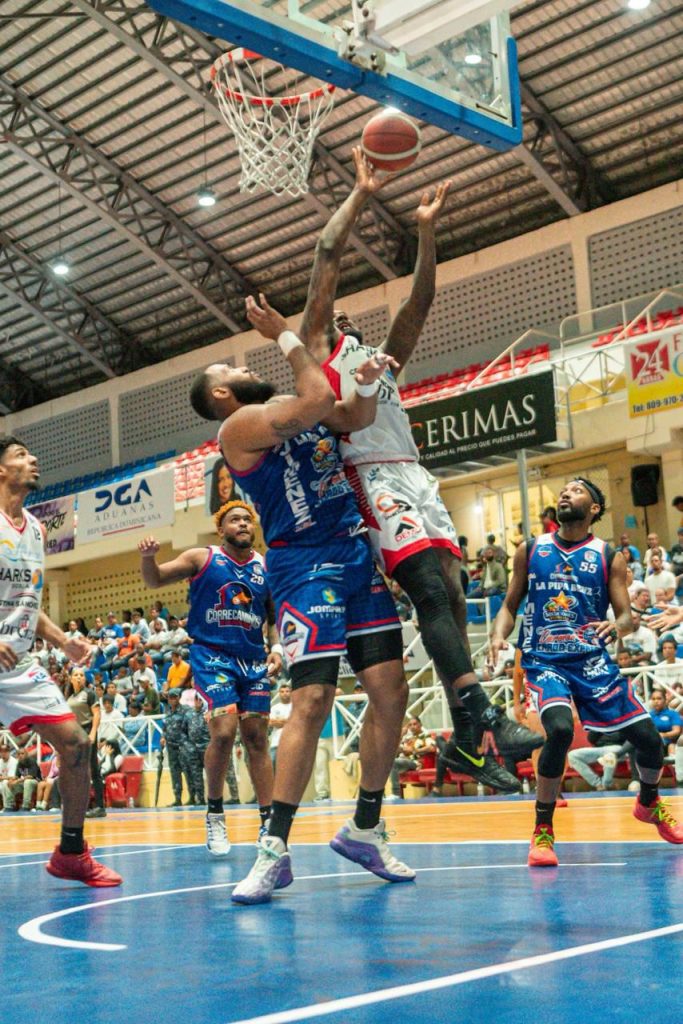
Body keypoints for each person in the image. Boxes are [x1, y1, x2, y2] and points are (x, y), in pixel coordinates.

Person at [297, 147, 535, 795]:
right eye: (335, 314)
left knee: (454, 593)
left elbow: (420, 300)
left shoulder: (379, 360)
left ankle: (465, 744)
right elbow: (326, 254)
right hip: (371, 476)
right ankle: (479, 711)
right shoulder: (320, 357)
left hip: (415, 475)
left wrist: (427, 232)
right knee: (427, 587)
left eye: (349, 315)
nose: (345, 316)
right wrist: (361, 193)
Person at [190, 291, 414, 904]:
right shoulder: (238, 428)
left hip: (353, 553)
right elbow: (317, 399)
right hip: (303, 563)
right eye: (231, 369)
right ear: (221, 393)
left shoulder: (291, 409)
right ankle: (274, 848)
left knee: (391, 691)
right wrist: (284, 334)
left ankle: (365, 826)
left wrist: (365, 382)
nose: (244, 367)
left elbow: (352, 417)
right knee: (313, 699)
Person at [490, 477, 683, 867]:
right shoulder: (531, 549)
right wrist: (497, 635)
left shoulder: (608, 555)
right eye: (564, 490)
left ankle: (648, 802)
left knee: (649, 740)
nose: (566, 493)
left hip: (592, 662)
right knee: (560, 730)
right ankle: (543, 831)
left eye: (577, 490)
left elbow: (625, 616)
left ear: (594, 508)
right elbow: (510, 605)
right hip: (546, 660)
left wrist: (618, 626)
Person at [0, 435, 121, 885]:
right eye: (20, 455)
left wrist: (63, 641)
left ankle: (71, 853)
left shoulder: (34, 528)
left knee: (76, 745)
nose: (33, 459)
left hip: (16, 664)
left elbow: (26, 602)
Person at [139, 499, 283, 854]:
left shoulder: (265, 567)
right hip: (212, 656)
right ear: (221, 529)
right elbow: (154, 579)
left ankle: (269, 822)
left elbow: (273, 617)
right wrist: (148, 558)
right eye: (235, 520)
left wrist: (277, 648)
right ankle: (215, 814)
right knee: (223, 732)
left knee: (256, 738)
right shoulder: (202, 558)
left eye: (247, 519)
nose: (243, 524)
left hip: (252, 660)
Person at [0, 745, 41, 811]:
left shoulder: (32, 761)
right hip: (24, 783)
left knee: (27, 782)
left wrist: (17, 781)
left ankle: (26, 806)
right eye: (19, 754)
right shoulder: (19, 763)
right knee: (7, 783)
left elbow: (31, 776)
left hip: (36, 782)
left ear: (26, 754)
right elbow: (17, 776)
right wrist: (12, 781)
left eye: (22, 753)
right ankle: (10, 806)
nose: (20, 755)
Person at [269, 680, 292, 769]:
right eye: (282, 692)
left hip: (291, 743)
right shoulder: (274, 708)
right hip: (276, 743)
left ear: (291, 693)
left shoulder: (295, 707)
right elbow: (271, 722)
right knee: (272, 767)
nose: (285, 693)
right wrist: (288, 721)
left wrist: (280, 721)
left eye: (287, 691)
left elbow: (295, 722)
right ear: (279, 693)